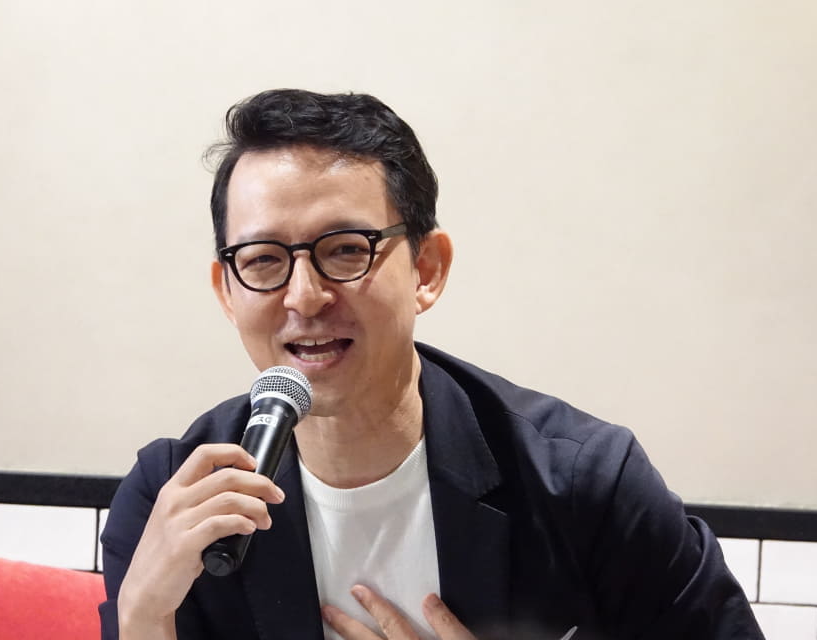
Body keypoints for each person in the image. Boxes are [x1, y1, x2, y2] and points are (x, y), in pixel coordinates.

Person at [99, 89, 763, 640]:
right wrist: (143, 617)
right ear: (227, 291)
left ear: (427, 268)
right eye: (264, 260)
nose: (304, 296)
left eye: (346, 249)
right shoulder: (173, 500)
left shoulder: (583, 485)